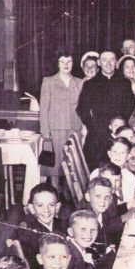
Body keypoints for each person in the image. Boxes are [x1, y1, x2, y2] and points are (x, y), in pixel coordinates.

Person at [76, 50, 135, 168]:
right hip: (98, 134)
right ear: (99, 62)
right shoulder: (90, 84)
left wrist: (121, 124)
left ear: (116, 62)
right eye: (104, 60)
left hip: (120, 133)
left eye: (112, 60)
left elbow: (131, 104)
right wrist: (94, 126)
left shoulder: (124, 82)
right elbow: (82, 109)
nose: (108, 63)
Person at [39, 50, 83, 189]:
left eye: (69, 61)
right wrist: (45, 131)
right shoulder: (48, 81)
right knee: (55, 166)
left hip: (75, 129)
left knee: (73, 164)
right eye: (62, 62)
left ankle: (71, 196)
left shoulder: (80, 82)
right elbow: (44, 108)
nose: (66, 64)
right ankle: (54, 194)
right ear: (57, 64)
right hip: (56, 128)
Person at [10, 183, 68, 269]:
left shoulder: (66, 226)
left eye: (51, 205)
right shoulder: (25, 234)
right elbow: (29, 267)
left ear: (58, 207)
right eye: (40, 205)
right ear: (32, 208)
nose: (46, 210)